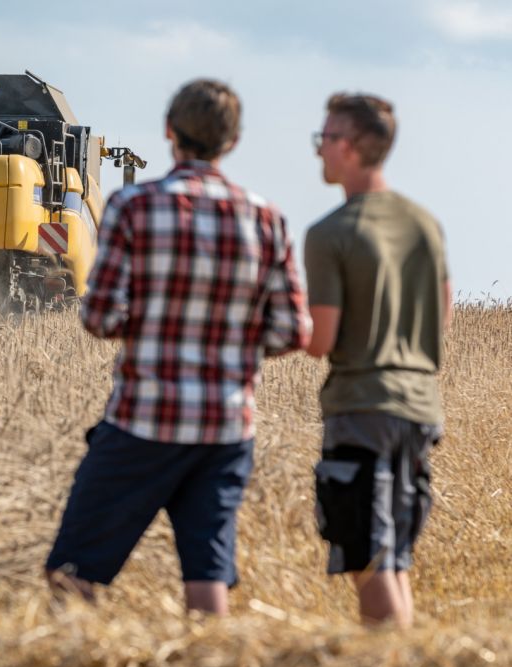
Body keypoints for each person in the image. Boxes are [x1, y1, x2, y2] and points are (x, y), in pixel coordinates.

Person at [44, 79, 310, 614]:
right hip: (227, 427)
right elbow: (292, 331)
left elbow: (99, 316)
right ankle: (207, 655)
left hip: (143, 420)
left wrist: (156, 325)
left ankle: (69, 653)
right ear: (233, 141)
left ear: (169, 132)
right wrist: (231, 339)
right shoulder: (266, 217)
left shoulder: (134, 206)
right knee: (207, 577)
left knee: (71, 572)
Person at [304, 93, 452, 628]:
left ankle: (384, 660)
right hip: (420, 407)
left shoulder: (330, 233)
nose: (318, 149)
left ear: (350, 146)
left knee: (367, 559)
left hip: (362, 408)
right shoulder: (424, 223)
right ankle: (403, 660)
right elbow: (442, 312)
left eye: (325, 138)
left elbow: (321, 339)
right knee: (395, 559)